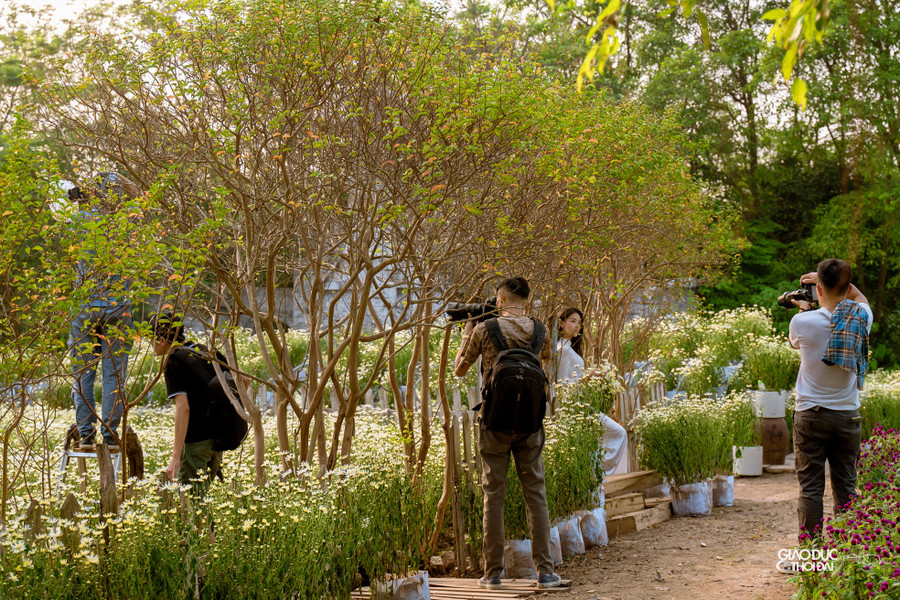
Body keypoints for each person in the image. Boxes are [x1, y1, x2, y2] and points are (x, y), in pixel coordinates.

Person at [454, 276, 562, 589]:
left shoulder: (485, 329)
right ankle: (546, 572)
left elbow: (460, 369)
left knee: (494, 496)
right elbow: (546, 366)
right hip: (529, 423)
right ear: (527, 300)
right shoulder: (540, 330)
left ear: (500, 299)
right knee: (536, 494)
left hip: (495, 423)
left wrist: (467, 331)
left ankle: (492, 574)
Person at [787, 259, 872, 543]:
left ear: (818, 289)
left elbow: (795, 343)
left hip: (811, 416)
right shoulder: (862, 317)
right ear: (847, 287)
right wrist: (838, 283)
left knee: (810, 489)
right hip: (847, 417)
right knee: (846, 488)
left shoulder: (802, 322)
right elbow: (860, 298)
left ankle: (811, 554)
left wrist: (804, 308)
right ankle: (848, 552)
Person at [68, 173, 140, 451]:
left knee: (83, 373)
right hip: (117, 309)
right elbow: (137, 193)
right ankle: (110, 434)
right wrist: (119, 179)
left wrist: (84, 193)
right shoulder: (127, 219)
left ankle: (86, 434)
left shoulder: (81, 218)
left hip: (84, 309)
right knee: (114, 374)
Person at [151, 312, 224, 495]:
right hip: (217, 442)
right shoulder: (205, 350)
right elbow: (243, 381)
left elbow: (183, 409)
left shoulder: (174, 361)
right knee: (202, 500)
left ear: (162, 340)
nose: (150, 346)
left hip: (196, 443)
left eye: (151, 340)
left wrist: (176, 457)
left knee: (190, 503)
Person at [555, 307, 627, 474]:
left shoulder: (569, 348)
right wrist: (588, 377)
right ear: (561, 323)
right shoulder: (562, 350)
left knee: (606, 438)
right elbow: (561, 386)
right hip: (574, 408)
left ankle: (594, 472)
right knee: (618, 432)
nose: (577, 326)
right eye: (573, 321)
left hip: (582, 405)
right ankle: (597, 472)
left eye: (579, 323)